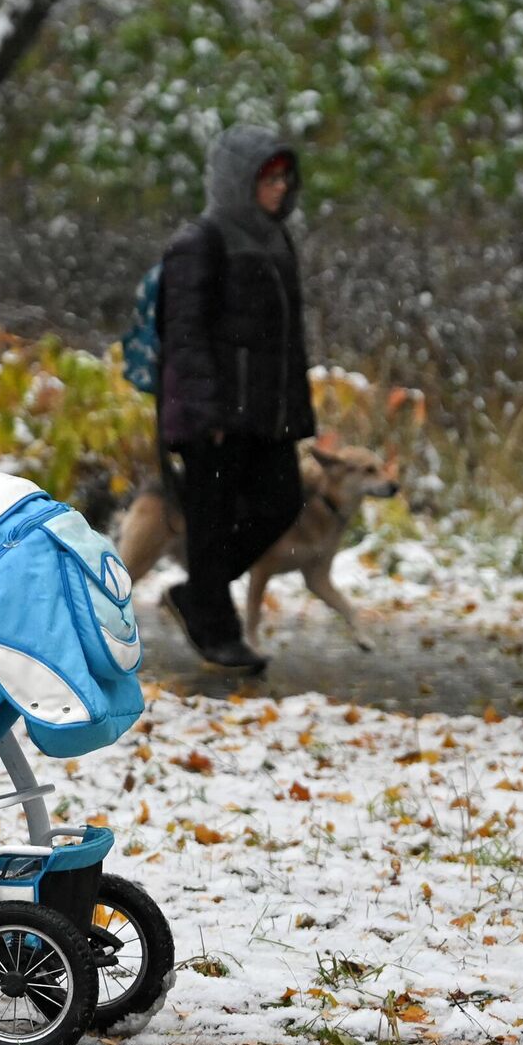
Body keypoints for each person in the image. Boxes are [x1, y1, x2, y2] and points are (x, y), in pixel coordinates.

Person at [156, 124, 316, 672]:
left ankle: (198, 596)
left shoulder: (276, 241)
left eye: (284, 177)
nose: (279, 187)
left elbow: (285, 341)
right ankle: (218, 631)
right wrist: (204, 413)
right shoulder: (200, 241)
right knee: (212, 518)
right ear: (237, 180)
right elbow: (183, 333)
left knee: (281, 500)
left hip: (266, 417)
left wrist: (293, 411)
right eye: (268, 177)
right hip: (216, 417)